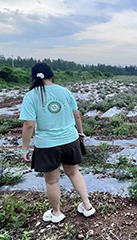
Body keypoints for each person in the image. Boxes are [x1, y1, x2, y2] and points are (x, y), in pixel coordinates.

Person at [19, 63, 95, 223]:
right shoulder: (64, 92)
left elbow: (29, 125)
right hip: (70, 139)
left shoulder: (31, 96)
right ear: (51, 75)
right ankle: (87, 206)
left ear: (33, 77)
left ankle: (56, 213)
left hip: (47, 145)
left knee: (52, 180)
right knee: (74, 172)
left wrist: (24, 148)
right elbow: (77, 115)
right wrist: (80, 132)